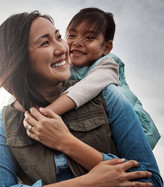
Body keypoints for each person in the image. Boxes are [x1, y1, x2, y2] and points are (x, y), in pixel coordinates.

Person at [0, 11, 163, 187]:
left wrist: (66, 142)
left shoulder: (106, 95)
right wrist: (89, 183)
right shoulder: (5, 120)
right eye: (45, 43)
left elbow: (150, 185)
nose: (63, 48)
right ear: (19, 59)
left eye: (58, 37)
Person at [34, 8, 161, 150]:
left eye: (89, 38)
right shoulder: (67, 66)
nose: (77, 42)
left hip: (138, 130)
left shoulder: (108, 64)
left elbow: (85, 89)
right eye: (72, 35)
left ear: (106, 47)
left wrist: (45, 114)